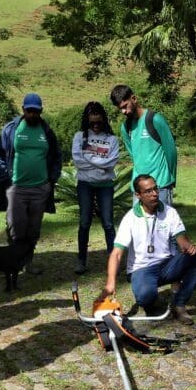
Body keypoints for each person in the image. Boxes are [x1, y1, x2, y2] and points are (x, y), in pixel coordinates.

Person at [98, 175, 196, 325]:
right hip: (141, 269)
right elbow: (116, 253)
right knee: (145, 297)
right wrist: (111, 282)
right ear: (138, 195)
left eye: (155, 189)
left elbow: (182, 239)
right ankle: (149, 303)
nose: (154, 193)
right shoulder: (130, 218)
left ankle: (179, 304)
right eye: (148, 191)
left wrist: (187, 245)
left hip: (167, 265)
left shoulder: (169, 212)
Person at [0, 93, 62, 274]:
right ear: (23, 110)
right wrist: (4, 179)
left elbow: (56, 157)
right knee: (16, 227)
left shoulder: (46, 131)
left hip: (40, 188)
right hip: (16, 189)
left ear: (41, 111)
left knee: (33, 229)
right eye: (29, 110)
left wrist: (51, 180)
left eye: (35, 111)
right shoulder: (11, 130)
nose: (32, 114)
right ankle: (14, 261)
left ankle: (28, 263)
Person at [72, 101, 119, 274]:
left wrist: (90, 159)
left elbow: (112, 162)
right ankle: (81, 261)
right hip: (85, 184)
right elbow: (77, 161)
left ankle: (113, 261)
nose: (96, 126)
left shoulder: (112, 139)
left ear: (104, 120)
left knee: (108, 223)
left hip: (105, 185)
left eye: (99, 122)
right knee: (84, 222)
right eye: (92, 123)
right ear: (87, 121)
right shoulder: (79, 137)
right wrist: (101, 164)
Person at [110, 84, 177, 205]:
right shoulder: (126, 128)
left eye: (125, 106)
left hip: (160, 186)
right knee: (140, 224)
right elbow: (134, 155)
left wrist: (170, 179)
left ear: (134, 99)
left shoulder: (155, 120)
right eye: (120, 109)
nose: (123, 111)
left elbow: (171, 151)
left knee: (163, 224)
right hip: (138, 190)